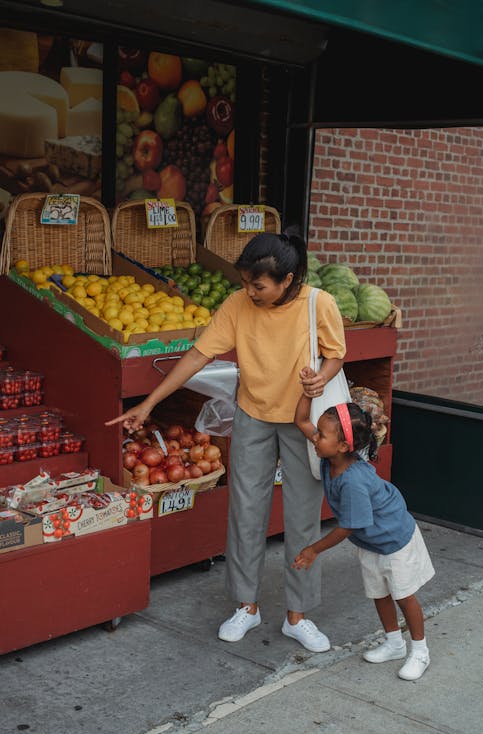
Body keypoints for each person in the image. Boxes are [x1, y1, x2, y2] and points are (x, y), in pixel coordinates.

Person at [106, 229, 346, 653]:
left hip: (302, 420)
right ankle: (247, 607)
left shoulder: (318, 303)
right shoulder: (237, 305)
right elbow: (199, 355)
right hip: (252, 415)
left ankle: (298, 615)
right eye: (245, 282)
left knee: (304, 515)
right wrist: (149, 404)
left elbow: (335, 353)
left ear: (287, 280)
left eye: (258, 285)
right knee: (245, 511)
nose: (249, 291)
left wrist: (319, 380)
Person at [293, 392, 435, 679]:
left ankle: (420, 651)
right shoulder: (330, 455)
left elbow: (348, 527)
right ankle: (394, 643)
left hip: (395, 541)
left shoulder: (353, 480)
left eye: (321, 434)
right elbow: (300, 420)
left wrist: (313, 550)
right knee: (379, 593)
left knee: (403, 596)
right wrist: (307, 394)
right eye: (318, 432)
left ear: (344, 445)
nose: (315, 438)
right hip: (371, 542)